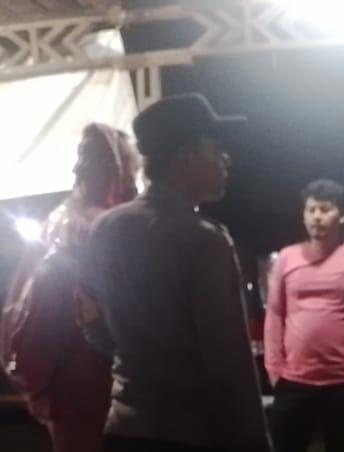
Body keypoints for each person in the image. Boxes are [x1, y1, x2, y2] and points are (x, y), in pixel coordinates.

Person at [79, 94, 271, 452]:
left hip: (123, 430)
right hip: (191, 434)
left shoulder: (105, 228)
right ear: (186, 157)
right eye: (216, 149)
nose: (226, 159)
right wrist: (256, 442)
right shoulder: (204, 240)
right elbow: (230, 364)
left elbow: (93, 325)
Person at [0, 123, 140, 452]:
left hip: (67, 395)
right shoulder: (103, 228)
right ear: (115, 171)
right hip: (98, 389)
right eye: (132, 168)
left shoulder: (58, 223)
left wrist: (36, 387)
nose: (135, 180)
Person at [264, 179, 344, 452]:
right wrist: (274, 368)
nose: (317, 217)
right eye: (311, 210)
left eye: (325, 209)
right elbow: (274, 313)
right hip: (294, 380)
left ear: (342, 215)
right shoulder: (287, 257)